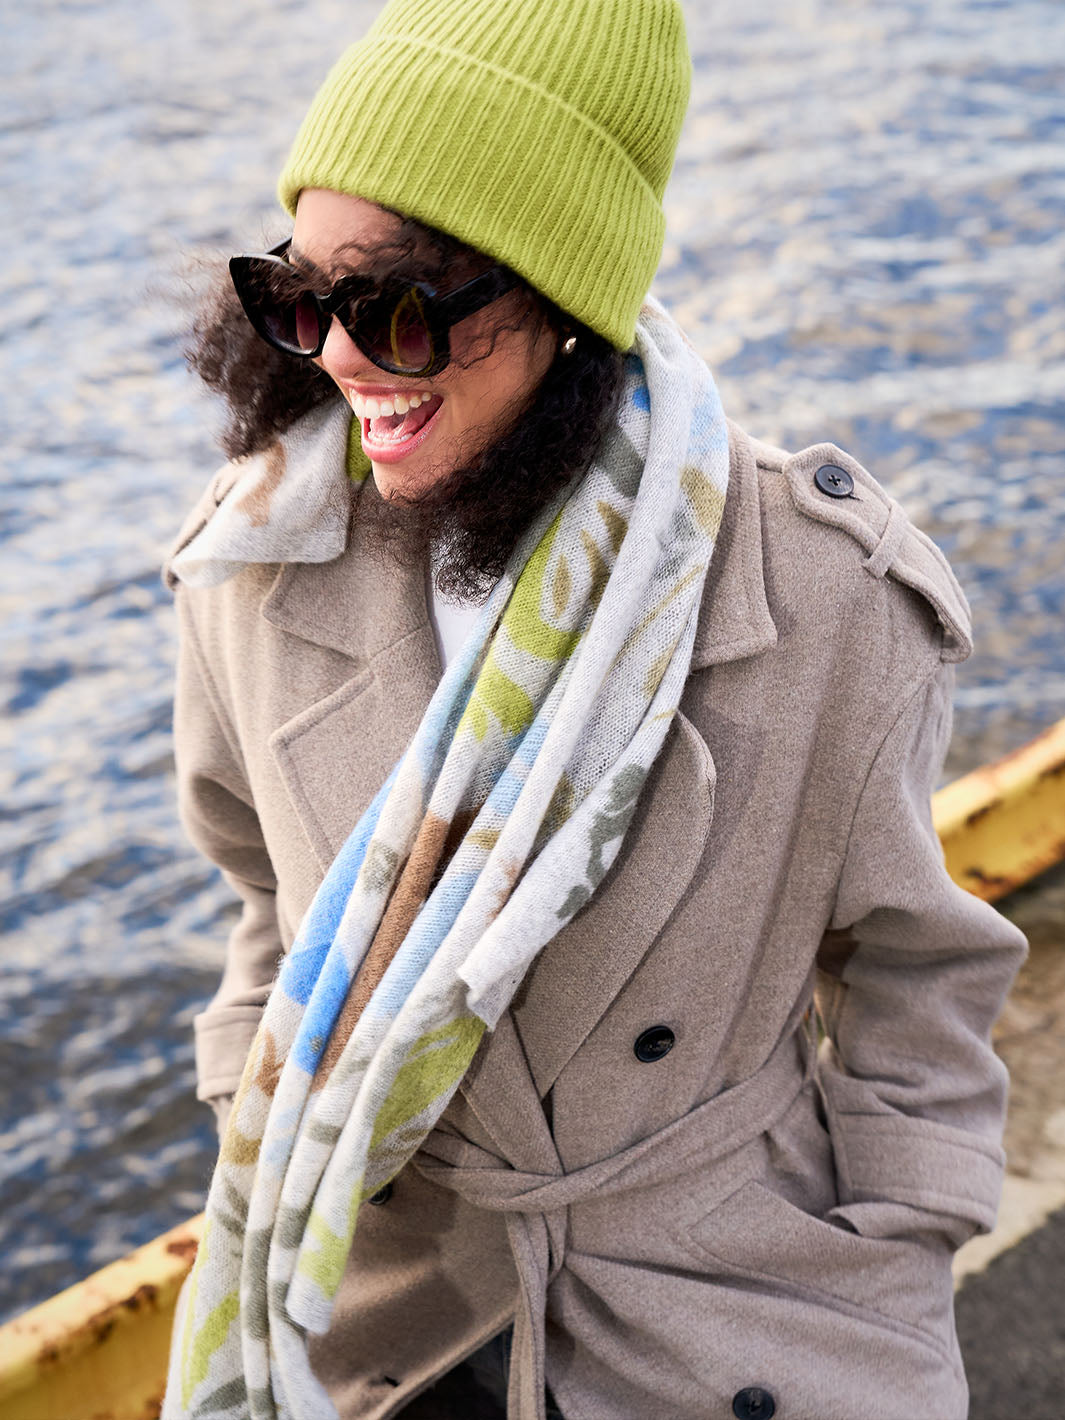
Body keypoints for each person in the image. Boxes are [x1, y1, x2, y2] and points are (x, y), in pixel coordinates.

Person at [161, 1, 1026, 1417]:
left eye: (397, 308)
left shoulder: (821, 600)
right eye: (298, 296)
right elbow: (262, 886)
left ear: (558, 297)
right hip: (384, 1291)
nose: (338, 359)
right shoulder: (251, 576)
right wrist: (253, 1107)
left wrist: (897, 1237)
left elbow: (913, 967)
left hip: (737, 1297)